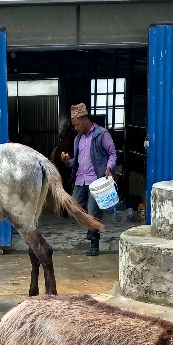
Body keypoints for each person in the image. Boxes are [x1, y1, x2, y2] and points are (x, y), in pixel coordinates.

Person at [61, 103, 116, 256]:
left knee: (93, 212)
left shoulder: (101, 134)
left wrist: (109, 167)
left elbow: (112, 154)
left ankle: (94, 243)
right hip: (80, 180)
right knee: (74, 209)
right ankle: (91, 229)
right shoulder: (77, 139)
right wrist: (67, 162)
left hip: (96, 180)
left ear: (85, 119)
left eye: (77, 124)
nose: (76, 128)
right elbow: (76, 161)